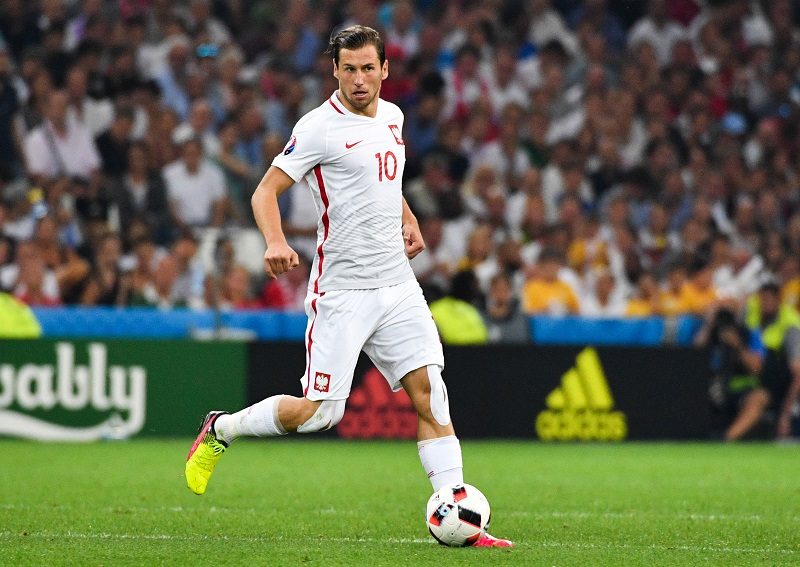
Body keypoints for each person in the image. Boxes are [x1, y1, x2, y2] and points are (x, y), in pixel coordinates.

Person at [183, 25, 512, 548]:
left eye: (368, 68)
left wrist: (407, 217)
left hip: (397, 284)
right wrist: (275, 241)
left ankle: (460, 516)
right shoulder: (318, 128)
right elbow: (264, 192)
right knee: (319, 414)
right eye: (349, 69)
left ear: (385, 69)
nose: (359, 79)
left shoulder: (394, 117)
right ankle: (222, 428)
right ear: (334, 71)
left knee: (431, 395)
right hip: (343, 290)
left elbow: (384, 180)